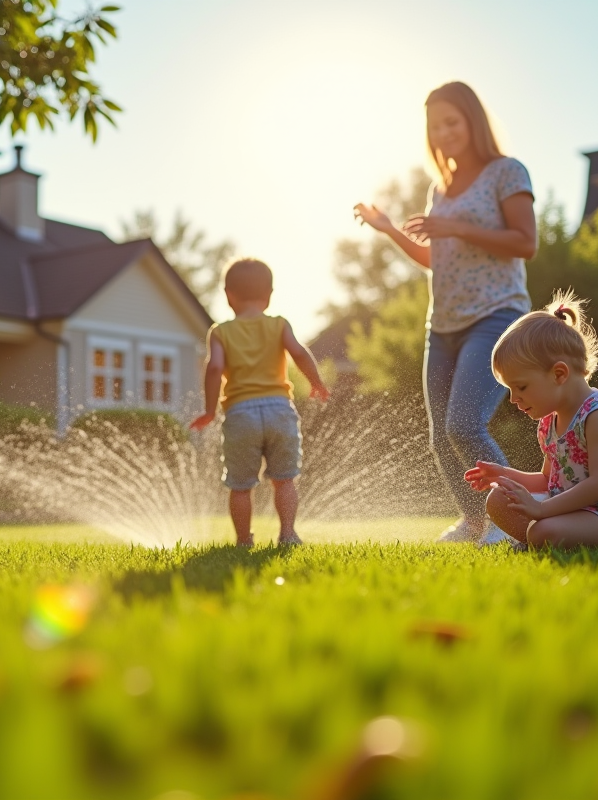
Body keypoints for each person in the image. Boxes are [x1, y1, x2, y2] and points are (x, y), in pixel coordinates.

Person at [354, 81, 537, 546]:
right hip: (444, 326)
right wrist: (389, 229)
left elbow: (526, 242)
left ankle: (509, 520)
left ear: (472, 121)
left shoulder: (506, 172)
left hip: (495, 315)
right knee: (442, 437)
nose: (444, 132)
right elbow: (438, 257)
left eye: (452, 121)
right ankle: (474, 522)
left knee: (464, 425)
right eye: (435, 125)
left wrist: (454, 226)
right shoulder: (441, 189)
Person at [465, 291, 598, 550]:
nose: (513, 399)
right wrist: (504, 475)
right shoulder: (551, 421)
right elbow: (547, 480)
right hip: (585, 512)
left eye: (521, 387)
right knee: (498, 500)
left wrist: (541, 509)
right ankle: (538, 540)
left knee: (544, 531)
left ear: (559, 374)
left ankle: (538, 540)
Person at [191, 258, 330, 547]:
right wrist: (316, 382)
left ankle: (244, 540)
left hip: (241, 413)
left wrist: (209, 409)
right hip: (279, 409)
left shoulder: (220, 332)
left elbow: (214, 368)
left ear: (228, 295)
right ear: (269, 295)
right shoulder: (279, 325)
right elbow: (300, 354)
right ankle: (288, 535)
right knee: (285, 479)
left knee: (241, 486)